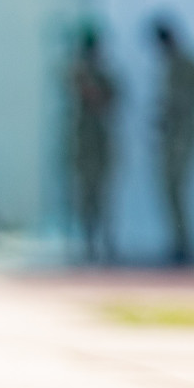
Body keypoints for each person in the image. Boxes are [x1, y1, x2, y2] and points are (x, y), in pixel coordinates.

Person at [150, 15, 194, 265]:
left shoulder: (188, 64)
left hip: (183, 137)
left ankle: (185, 244)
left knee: (178, 188)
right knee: (170, 189)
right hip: (172, 137)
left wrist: (171, 112)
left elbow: (193, 100)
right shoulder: (170, 65)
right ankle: (179, 242)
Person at [67, 25, 118, 264]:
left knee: (103, 197)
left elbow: (103, 99)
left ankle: (106, 245)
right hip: (82, 145)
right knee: (83, 197)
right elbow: (79, 89)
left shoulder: (106, 76)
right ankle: (88, 245)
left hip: (101, 145)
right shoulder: (75, 72)